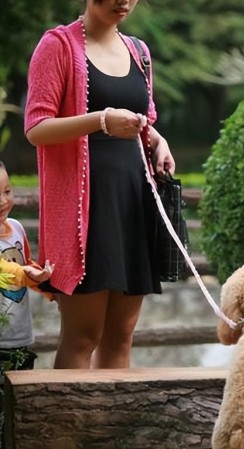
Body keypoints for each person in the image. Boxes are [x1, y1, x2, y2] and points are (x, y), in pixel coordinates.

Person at [24, 0, 175, 369]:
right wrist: (100, 120)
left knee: (121, 334)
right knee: (82, 336)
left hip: (132, 203)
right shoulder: (58, 45)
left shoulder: (139, 51)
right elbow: (36, 128)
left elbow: (143, 119)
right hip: (84, 212)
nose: (123, 1)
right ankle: (67, 426)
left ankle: (111, 428)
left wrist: (158, 140)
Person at [0, 160, 54, 372]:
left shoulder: (16, 228)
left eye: (7, 191)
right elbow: (8, 269)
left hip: (19, 335)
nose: (3, 201)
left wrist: (49, 290)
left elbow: (26, 266)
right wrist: (25, 273)